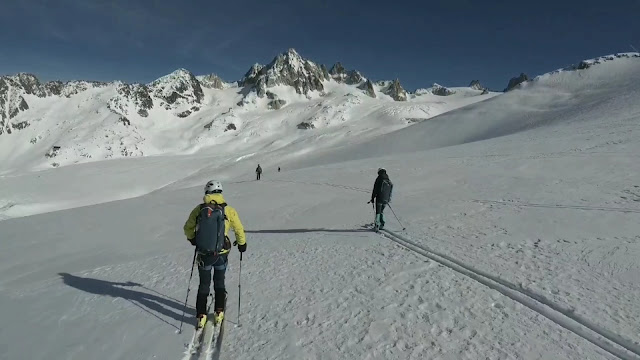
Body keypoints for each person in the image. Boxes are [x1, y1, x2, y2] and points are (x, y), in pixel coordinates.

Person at [184, 180, 246, 328]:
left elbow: (188, 228)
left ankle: (201, 315)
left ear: (206, 192)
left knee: (204, 284)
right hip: (222, 253)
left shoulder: (199, 210)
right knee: (219, 281)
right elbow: (238, 229)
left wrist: (193, 239)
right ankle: (219, 311)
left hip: (204, 254)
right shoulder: (229, 210)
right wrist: (242, 244)